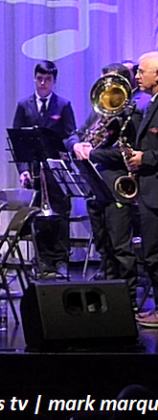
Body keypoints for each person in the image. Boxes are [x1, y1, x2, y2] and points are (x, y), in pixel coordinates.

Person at [70, 63, 139, 307]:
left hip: (117, 187)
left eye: (110, 84)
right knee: (104, 247)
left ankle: (128, 300)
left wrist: (94, 154)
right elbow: (76, 134)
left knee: (121, 248)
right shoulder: (100, 111)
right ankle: (109, 298)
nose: (105, 91)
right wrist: (76, 145)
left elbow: (127, 153)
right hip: (95, 186)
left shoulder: (133, 114)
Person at [12, 60, 76, 278]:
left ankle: (60, 260)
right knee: (39, 216)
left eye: (47, 79)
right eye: (39, 79)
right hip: (35, 170)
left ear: (54, 81)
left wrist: (73, 149)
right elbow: (17, 142)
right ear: (34, 79)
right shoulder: (24, 105)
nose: (43, 83)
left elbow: (69, 134)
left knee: (59, 215)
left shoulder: (63, 105)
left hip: (56, 172)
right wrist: (23, 170)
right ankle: (43, 261)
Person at [121, 52, 158, 327]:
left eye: (141, 71)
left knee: (155, 254)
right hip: (148, 189)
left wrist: (145, 157)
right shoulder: (149, 104)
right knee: (151, 254)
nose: (136, 76)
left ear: (156, 76)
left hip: (155, 192)